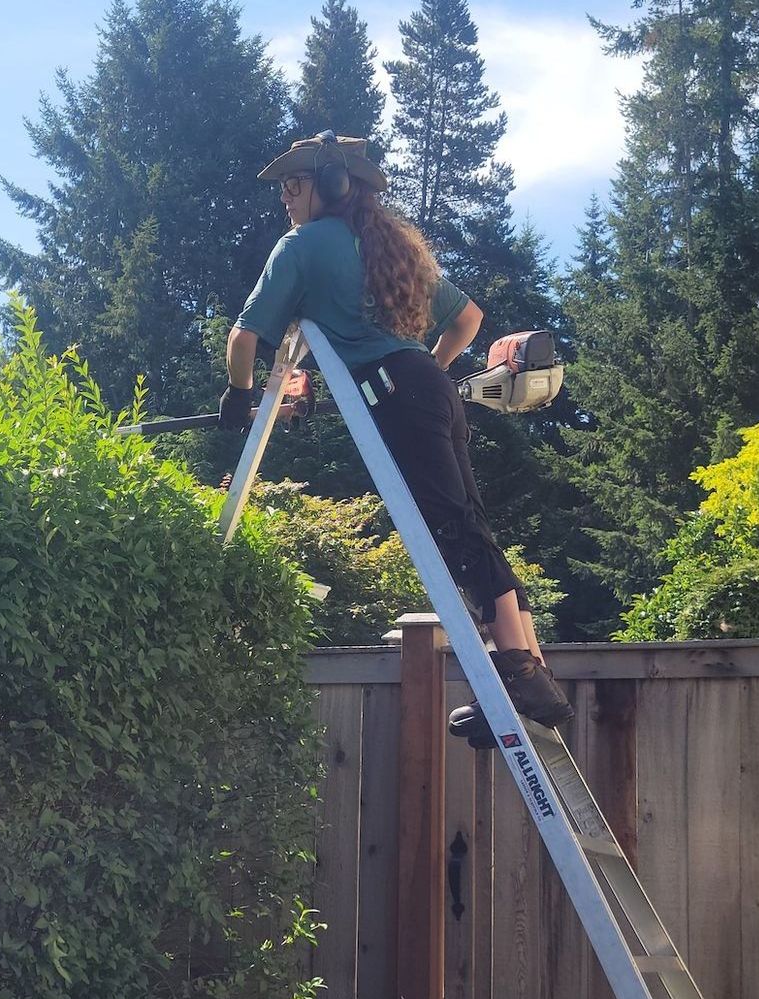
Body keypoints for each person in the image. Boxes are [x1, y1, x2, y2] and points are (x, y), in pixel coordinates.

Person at [221, 131, 571, 734]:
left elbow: (244, 338)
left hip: (400, 395)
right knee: (471, 525)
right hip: (429, 391)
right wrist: (426, 373)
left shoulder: (301, 246)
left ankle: (515, 671)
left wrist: (239, 394)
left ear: (327, 187)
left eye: (292, 185)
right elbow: (467, 320)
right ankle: (530, 676)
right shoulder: (386, 244)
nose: (284, 197)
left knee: (452, 531)